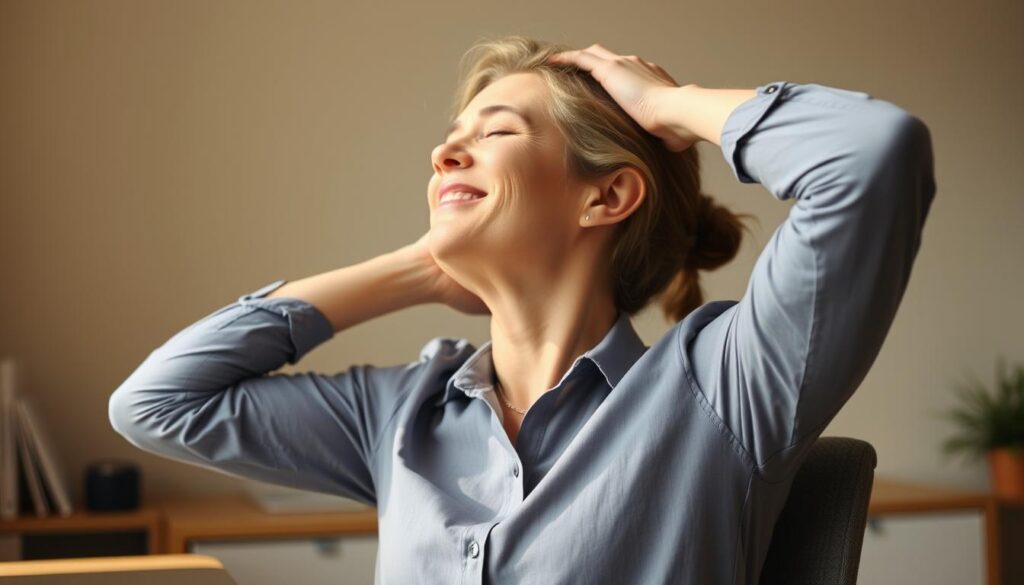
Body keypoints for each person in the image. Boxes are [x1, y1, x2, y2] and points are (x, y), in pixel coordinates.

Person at [109, 36, 936, 584]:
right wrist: (414, 267)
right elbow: (156, 405)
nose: (444, 152)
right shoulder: (402, 413)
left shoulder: (719, 389)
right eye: (449, 138)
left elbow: (871, 157)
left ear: (608, 194)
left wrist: (668, 106)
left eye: (495, 130)